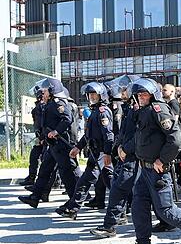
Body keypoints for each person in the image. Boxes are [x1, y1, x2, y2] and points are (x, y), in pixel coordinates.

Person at [123, 78, 181, 244]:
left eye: (144, 94)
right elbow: (141, 139)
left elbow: (175, 140)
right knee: (139, 207)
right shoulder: (143, 111)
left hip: (158, 171)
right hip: (144, 169)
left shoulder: (158, 110)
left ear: (153, 94)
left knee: (166, 211)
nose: (140, 97)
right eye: (138, 94)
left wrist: (162, 160)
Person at [55, 82, 115, 219]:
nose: (91, 97)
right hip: (95, 152)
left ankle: (73, 208)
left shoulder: (103, 112)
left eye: (94, 94)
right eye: (89, 94)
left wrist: (107, 153)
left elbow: (108, 135)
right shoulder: (95, 111)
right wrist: (78, 147)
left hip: (100, 153)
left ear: (101, 95)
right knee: (107, 181)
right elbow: (88, 135)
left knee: (88, 181)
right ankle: (121, 209)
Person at [91, 77, 139, 238]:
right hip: (126, 156)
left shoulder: (140, 110)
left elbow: (140, 136)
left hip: (136, 157)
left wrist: (125, 148)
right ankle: (110, 225)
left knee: (159, 202)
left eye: (125, 89)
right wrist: (117, 148)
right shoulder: (129, 108)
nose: (122, 92)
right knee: (118, 189)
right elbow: (122, 132)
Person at [18, 79, 79, 208]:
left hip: (60, 144)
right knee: (45, 170)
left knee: (66, 173)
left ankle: (74, 201)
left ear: (51, 91)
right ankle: (35, 197)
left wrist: (56, 131)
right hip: (52, 144)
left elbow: (67, 119)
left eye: (45, 91)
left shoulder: (58, 103)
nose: (43, 93)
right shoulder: (50, 103)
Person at [21, 89, 46, 187]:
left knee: (47, 160)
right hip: (41, 136)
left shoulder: (41, 107)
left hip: (44, 136)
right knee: (35, 156)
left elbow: (42, 123)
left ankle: (54, 182)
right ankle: (32, 177)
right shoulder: (39, 107)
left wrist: (41, 137)